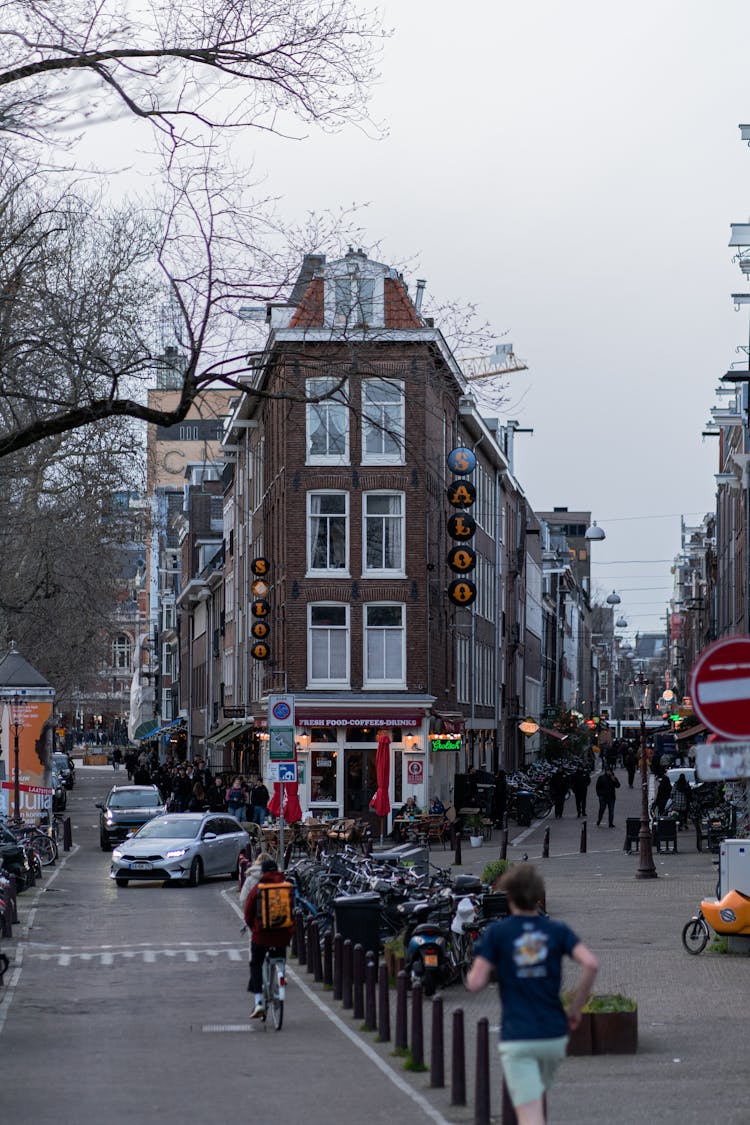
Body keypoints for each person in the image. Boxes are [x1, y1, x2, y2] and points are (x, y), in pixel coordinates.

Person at [465, 864, 598, 1125]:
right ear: (538, 896)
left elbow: (475, 983)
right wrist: (575, 1008)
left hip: (519, 1036)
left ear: (509, 896)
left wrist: (478, 971)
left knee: (530, 1114)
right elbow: (591, 964)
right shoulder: (556, 930)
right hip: (554, 1036)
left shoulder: (498, 933)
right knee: (535, 1101)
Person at [244, 858, 295, 1019]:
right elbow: (292, 910)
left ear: (263, 872)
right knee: (280, 958)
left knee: (256, 964)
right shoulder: (287, 888)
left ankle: (259, 1001)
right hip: (282, 936)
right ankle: (281, 973)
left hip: (262, 936)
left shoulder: (258, 888)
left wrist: (254, 929)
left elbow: (248, 913)